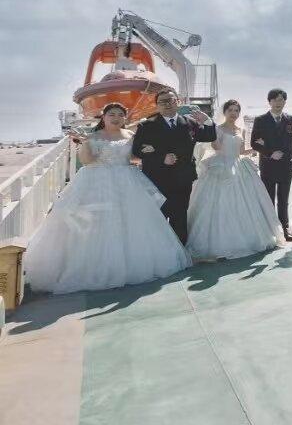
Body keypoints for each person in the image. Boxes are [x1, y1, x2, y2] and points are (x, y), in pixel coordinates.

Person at [25, 103, 193, 294]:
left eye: (120, 115)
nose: (116, 118)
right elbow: (87, 161)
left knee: (130, 222)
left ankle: (130, 264)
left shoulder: (131, 135)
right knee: (95, 223)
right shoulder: (93, 136)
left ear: (125, 118)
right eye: (111, 114)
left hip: (127, 182)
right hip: (96, 182)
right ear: (103, 117)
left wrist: (150, 152)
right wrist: (85, 142)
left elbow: (135, 157)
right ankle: (95, 266)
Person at [187, 99, 284, 260]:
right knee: (220, 202)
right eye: (230, 110)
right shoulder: (218, 128)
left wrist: (258, 146)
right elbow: (216, 147)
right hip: (221, 166)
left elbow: (241, 151)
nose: (233, 113)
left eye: (236, 110)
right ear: (224, 112)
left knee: (246, 202)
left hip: (238, 166)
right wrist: (211, 129)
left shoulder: (241, 130)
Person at [132, 88, 217, 244]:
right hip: (157, 180)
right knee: (158, 218)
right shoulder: (146, 125)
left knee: (180, 217)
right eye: (162, 102)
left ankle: (181, 252)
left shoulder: (190, 123)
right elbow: (137, 150)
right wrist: (161, 158)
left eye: (171, 100)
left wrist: (207, 121)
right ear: (157, 105)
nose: (167, 104)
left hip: (183, 179)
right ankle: (160, 250)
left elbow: (209, 136)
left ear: (178, 102)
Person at [249, 88, 292, 241]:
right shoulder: (260, 120)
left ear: (285, 102)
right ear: (269, 102)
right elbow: (254, 143)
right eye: (275, 100)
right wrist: (270, 153)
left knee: (284, 199)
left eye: (281, 100)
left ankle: (285, 229)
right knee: (269, 199)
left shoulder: (289, 119)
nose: (278, 102)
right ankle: (271, 231)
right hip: (268, 165)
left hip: (286, 164)